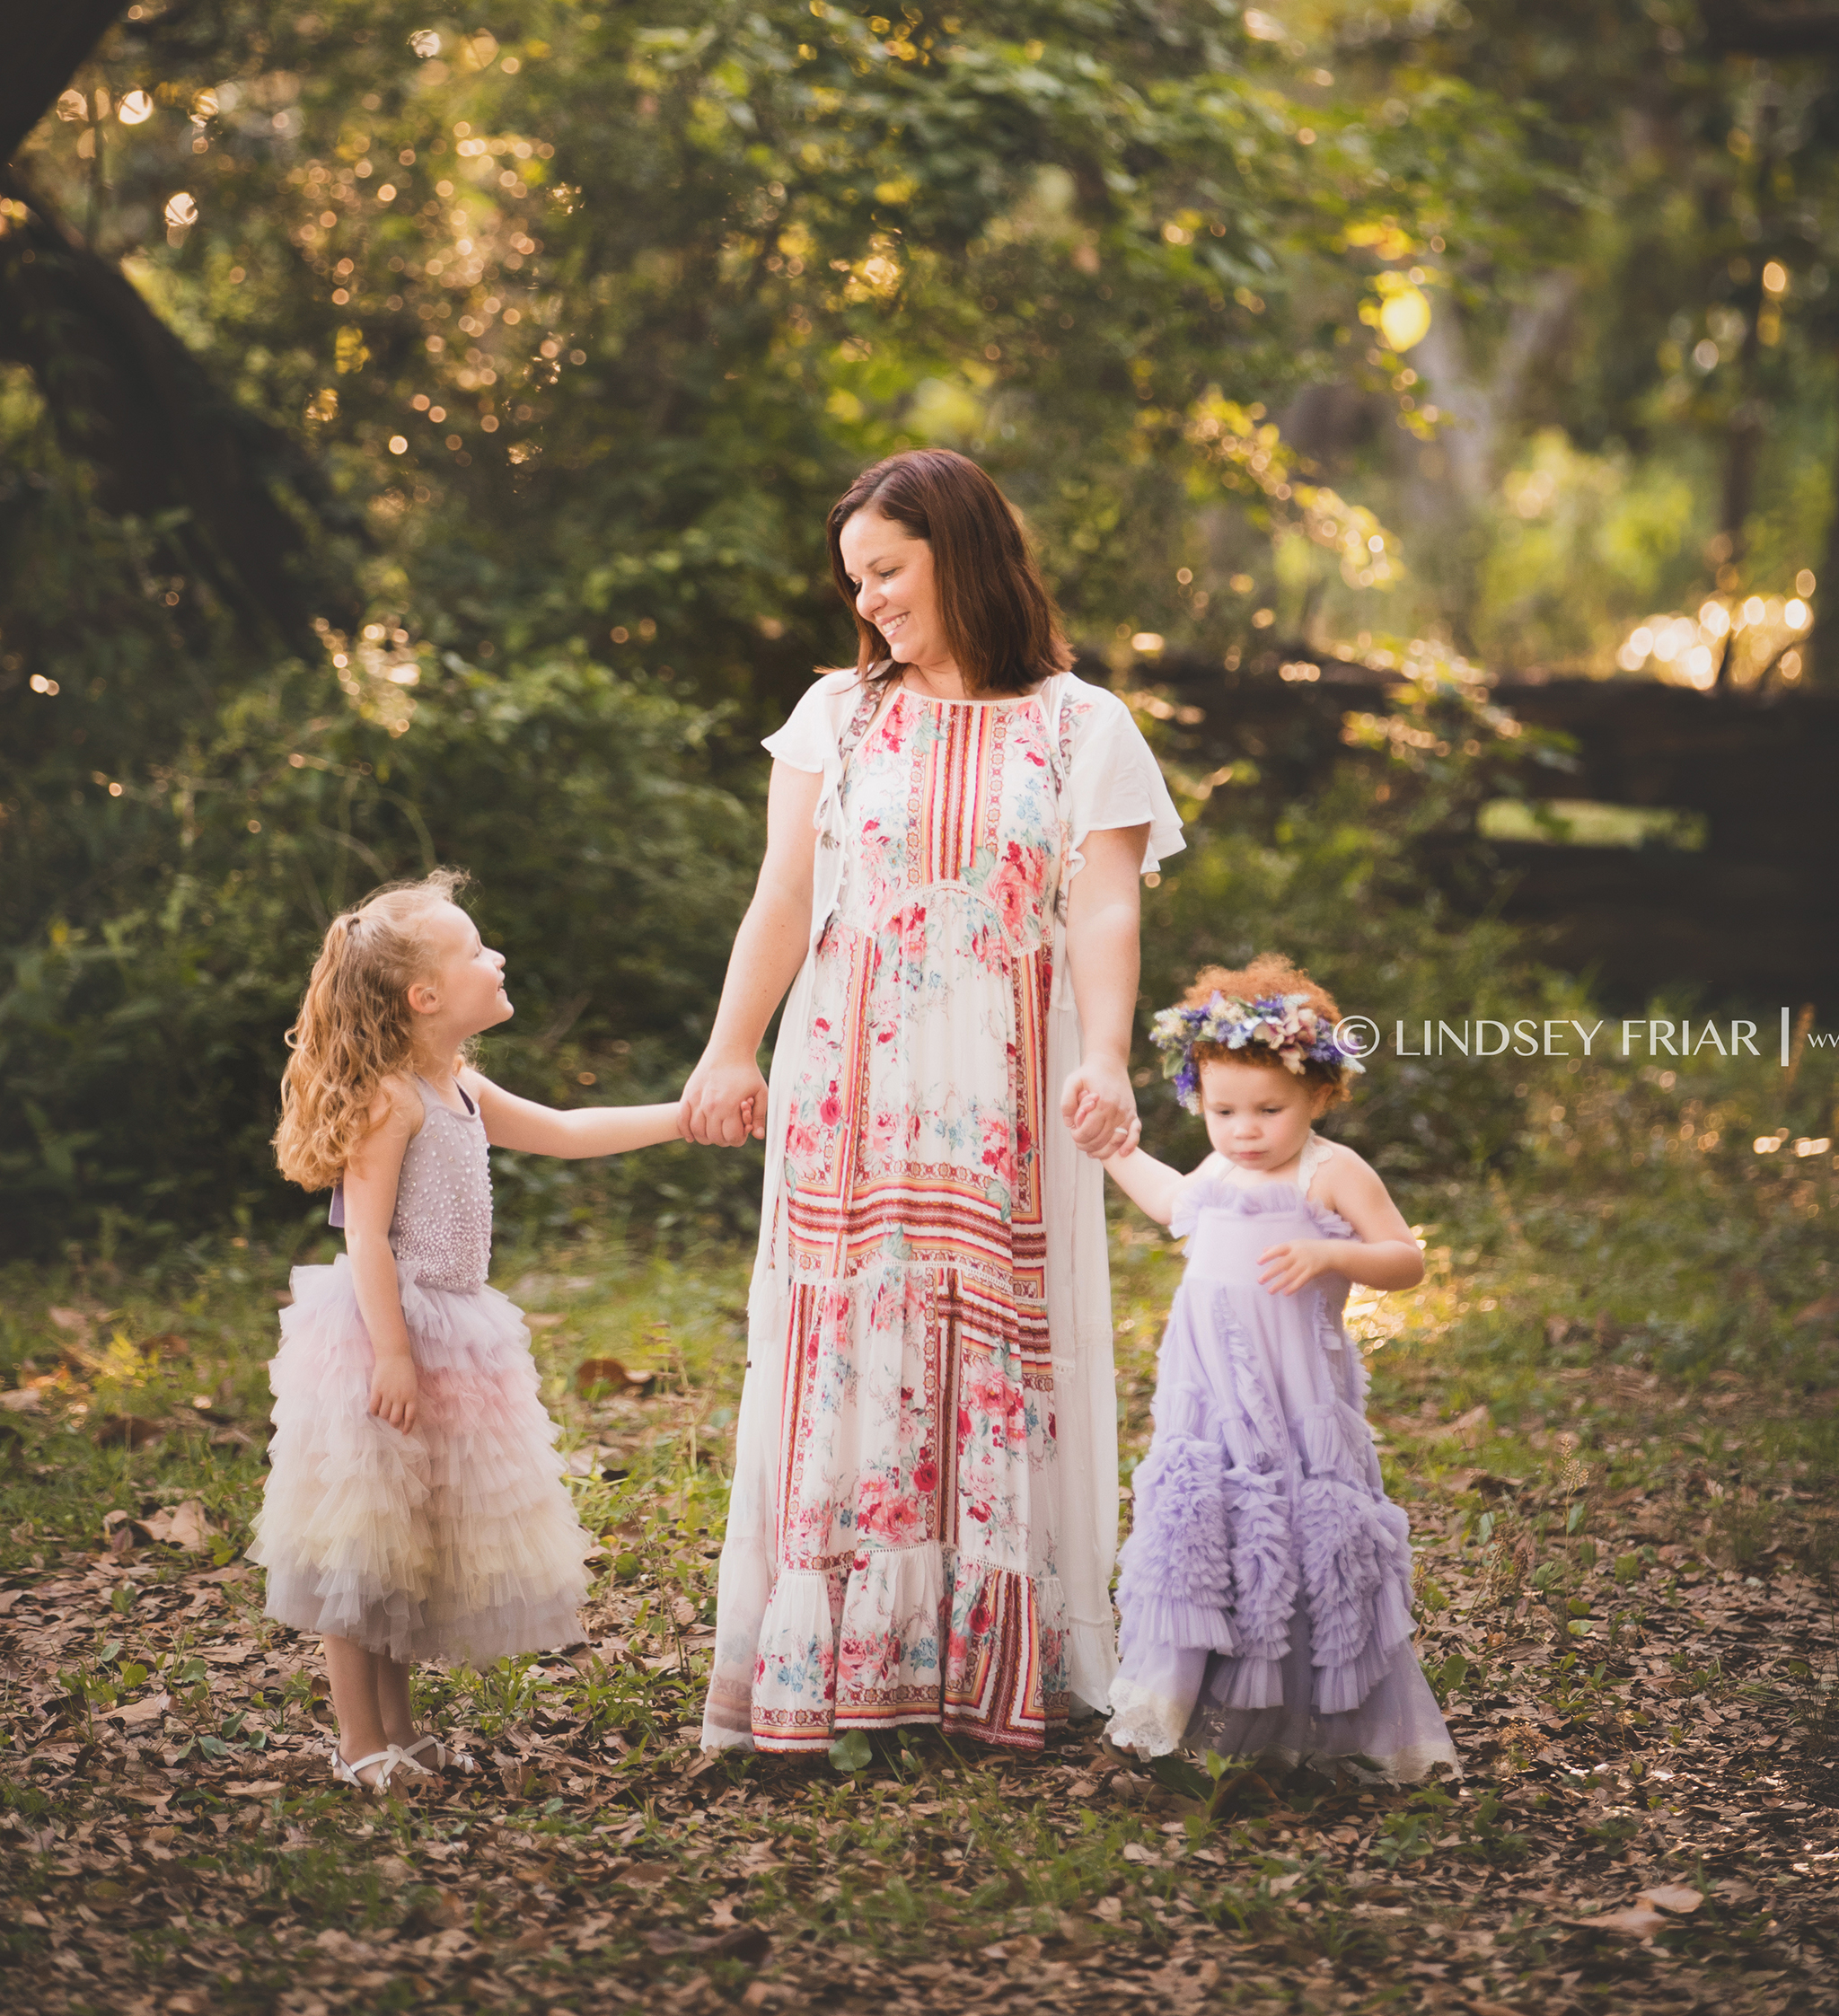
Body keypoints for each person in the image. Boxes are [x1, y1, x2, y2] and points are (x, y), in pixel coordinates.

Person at [688, 447, 1184, 1755]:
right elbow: (785, 895)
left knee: (991, 1339)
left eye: (889, 572)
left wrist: (1109, 1055)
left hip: (1005, 1085)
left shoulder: (1085, 726)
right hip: (848, 1079)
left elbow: (1108, 906)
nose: (869, 605)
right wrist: (732, 1048)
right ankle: (841, 1664)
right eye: (855, 581)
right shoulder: (834, 717)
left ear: (961, 552)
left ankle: (980, 1674)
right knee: (844, 1340)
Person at [251, 873, 684, 1792]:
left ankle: (401, 1732)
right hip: (384, 1335)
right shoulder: (391, 1099)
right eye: (477, 950)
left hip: (456, 1333)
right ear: (426, 995)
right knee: (362, 1547)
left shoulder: (462, 1088)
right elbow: (364, 1236)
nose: (496, 958)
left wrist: (684, 1119)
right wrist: (395, 1354)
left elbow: (568, 1129)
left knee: (409, 1542)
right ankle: (360, 1741)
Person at [1104, 954, 1457, 1779]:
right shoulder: (1220, 1169)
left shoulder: (1330, 1173)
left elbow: (1405, 1259)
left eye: (1269, 1109)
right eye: (1223, 1110)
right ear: (1200, 1100)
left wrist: (1328, 1256)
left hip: (1296, 1395)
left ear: (1318, 1095)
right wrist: (1115, 1150)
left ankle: (1316, 1726)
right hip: (1210, 1396)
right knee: (1211, 1536)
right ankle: (1184, 1712)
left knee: (1303, 1539)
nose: (1245, 1129)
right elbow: (1168, 1203)